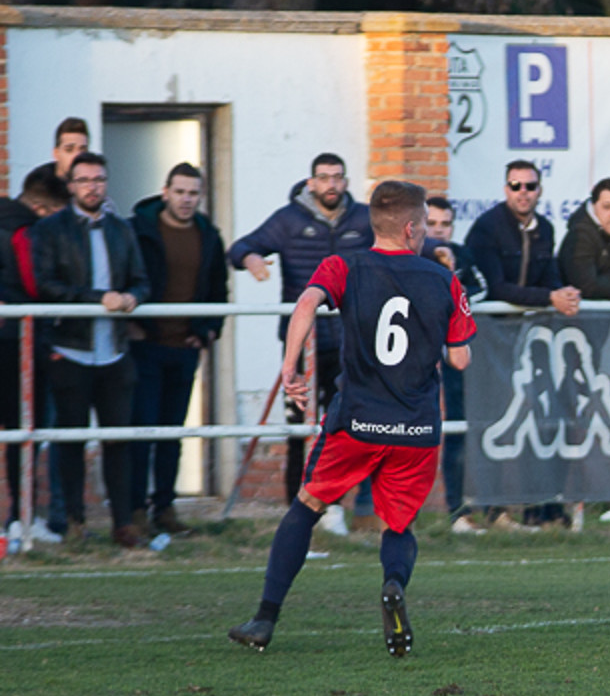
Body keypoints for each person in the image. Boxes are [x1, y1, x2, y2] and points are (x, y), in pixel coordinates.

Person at [228, 181, 477, 655]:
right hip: (416, 427)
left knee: (306, 507)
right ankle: (394, 584)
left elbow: (306, 303)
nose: (427, 233)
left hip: (356, 421)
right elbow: (460, 359)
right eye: (424, 224)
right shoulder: (444, 279)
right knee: (399, 526)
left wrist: (289, 364)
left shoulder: (345, 265)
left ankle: (264, 618)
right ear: (410, 228)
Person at [227, 152, 374, 533]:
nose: (331, 185)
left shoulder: (362, 219)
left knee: (344, 427)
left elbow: (400, 247)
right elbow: (240, 247)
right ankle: (297, 509)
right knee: (298, 429)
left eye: (338, 177)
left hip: (351, 343)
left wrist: (438, 253)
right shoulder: (289, 220)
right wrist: (253, 259)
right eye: (324, 178)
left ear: (345, 181)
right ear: (311, 183)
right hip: (303, 345)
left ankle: (336, 508)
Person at [29, 152, 150, 547]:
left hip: (114, 351)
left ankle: (122, 523)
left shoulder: (121, 230)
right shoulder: (51, 230)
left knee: (119, 441)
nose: (92, 187)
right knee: (71, 442)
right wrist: (99, 299)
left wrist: (132, 297)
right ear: (71, 185)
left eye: (99, 179)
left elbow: (142, 281)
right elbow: (46, 286)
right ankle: (75, 523)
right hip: (71, 349)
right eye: (84, 180)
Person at [465, 160, 581, 530]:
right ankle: (493, 510)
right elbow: (496, 289)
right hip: (489, 338)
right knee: (493, 421)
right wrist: (550, 297)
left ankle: (537, 507)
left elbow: (549, 277)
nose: (523, 193)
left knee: (539, 419)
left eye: (530, 186)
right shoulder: (486, 228)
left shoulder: (545, 228)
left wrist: (564, 292)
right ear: (505, 190)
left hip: (530, 339)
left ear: (540, 190)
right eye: (516, 186)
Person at [128, 163, 229, 535]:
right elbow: (124, 276)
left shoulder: (208, 236)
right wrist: (132, 327)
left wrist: (206, 332)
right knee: (142, 433)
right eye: (180, 191)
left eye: (193, 193)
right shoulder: (139, 229)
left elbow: (218, 290)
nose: (186, 200)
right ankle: (136, 511)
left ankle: (164, 510)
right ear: (165, 191)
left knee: (172, 434)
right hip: (146, 346)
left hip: (184, 349)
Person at [0, 168, 69, 543]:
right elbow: (34, 284)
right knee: (25, 430)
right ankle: (19, 519)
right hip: (16, 344)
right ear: (43, 208)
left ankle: (18, 519)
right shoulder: (26, 231)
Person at [426, 195, 484, 533]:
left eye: (444, 224)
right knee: (401, 429)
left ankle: (457, 512)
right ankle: (377, 512)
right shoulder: (409, 254)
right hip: (413, 357)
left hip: (456, 354)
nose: (438, 230)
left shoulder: (460, 254)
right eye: (431, 224)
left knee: (459, 428)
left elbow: (483, 288)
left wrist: (453, 288)